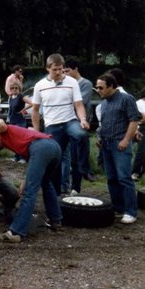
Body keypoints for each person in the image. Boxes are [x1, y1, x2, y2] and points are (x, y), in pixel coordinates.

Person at [0, 119, 62, 243]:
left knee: (30, 193)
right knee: (46, 183)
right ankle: (56, 220)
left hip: (41, 147)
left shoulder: (3, 131)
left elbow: (1, 123)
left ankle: (16, 232)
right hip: (54, 147)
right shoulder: (15, 141)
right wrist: (25, 181)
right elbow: (33, 164)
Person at [31, 53, 89, 196]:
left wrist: (82, 119)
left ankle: (79, 180)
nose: (58, 72)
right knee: (56, 159)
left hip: (70, 121)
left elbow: (79, 104)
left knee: (81, 135)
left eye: (61, 69)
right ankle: (57, 192)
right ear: (47, 69)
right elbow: (35, 110)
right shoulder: (40, 86)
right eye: (55, 69)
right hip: (52, 125)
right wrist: (37, 132)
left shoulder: (72, 82)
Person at [95, 73, 142, 224]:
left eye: (101, 87)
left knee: (124, 178)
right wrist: (99, 138)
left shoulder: (126, 99)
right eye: (97, 87)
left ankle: (131, 211)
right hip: (106, 144)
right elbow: (104, 124)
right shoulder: (104, 104)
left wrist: (126, 140)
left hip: (119, 144)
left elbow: (134, 120)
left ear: (112, 86)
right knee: (111, 178)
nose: (98, 90)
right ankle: (118, 208)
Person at [63, 59, 96, 194]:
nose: (65, 73)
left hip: (79, 122)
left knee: (77, 156)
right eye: (63, 71)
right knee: (66, 155)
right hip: (66, 121)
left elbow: (80, 101)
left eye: (67, 71)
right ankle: (64, 184)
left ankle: (77, 185)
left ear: (75, 69)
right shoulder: (65, 83)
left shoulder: (85, 84)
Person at [7, 81, 33, 163]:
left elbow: (31, 103)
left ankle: (23, 157)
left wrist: (23, 110)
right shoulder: (10, 97)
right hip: (12, 120)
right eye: (12, 88)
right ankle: (16, 157)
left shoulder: (21, 97)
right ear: (10, 89)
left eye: (16, 88)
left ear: (19, 89)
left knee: (21, 140)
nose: (14, 90)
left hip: (20, 121)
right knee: (14, 140)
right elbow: (10, 109)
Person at [131, 87, 145, 181]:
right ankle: (135, 172)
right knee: (141, 151)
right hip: (141, 128)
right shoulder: (138, 103)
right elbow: (140, 118)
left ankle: (140, 172)